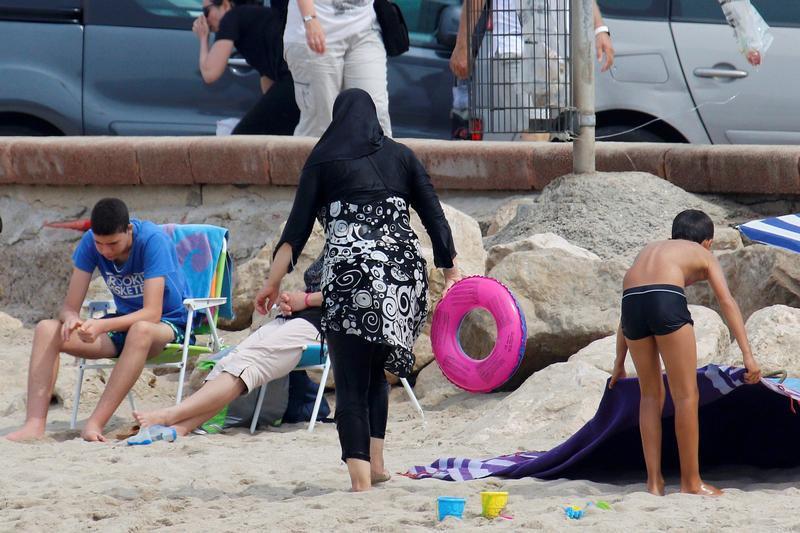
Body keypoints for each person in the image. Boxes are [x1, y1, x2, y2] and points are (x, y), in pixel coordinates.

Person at [257, 89, 461, 491]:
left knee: (350, 378)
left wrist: (272, 282)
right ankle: (378, 463)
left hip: (351, 279)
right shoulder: (401, 155)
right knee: (373, 373)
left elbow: (293, 235)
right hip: (400, 281)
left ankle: (360, 483)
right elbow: (432, 211)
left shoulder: (322, 159)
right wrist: (449, 268)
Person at [6, 198, 192, 442]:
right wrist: (72, 319)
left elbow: (152, 313)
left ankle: (94, 424)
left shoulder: (152, 241)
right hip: (122, 324)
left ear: (128, 230)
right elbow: (68, 307)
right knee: (45, 329)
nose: (105, 251)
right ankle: (34, 425)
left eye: (113, 243)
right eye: (99, 244)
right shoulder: (90, 243)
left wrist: (102, 325)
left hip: (167, 325)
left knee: (141, 329)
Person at [608, 209, 761, 496]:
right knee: (686, 394)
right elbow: (727, 302)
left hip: (631, 304)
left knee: (650, 395)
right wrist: (747, 355)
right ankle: (691, 482)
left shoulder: (649, 251)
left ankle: (654, 482)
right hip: (665, 300)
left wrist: (619, 363)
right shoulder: (701, 253)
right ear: (707, 242)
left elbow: (626, 314)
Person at [133, 255, 324, 436]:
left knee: (246, 366)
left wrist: (307, 300)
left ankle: (170, 415)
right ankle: (182, 427)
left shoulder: (351, 244)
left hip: (324, 326)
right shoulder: (335, 243)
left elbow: (350, 293)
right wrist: (292, 300)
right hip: (295, 317)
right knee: (229, 360)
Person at [282, 0, 392, 137]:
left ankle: (381, 158)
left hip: (365, 29)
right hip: (316, 29)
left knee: (375, 117)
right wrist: (310, 18)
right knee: (321, 125)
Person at [194, 0, 300, 135]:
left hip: (293, 82)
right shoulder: (255, 20)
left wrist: (203, 39)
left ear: (225, 5)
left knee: (241, 140)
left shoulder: (231, 17)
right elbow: (268, 81)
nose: (205, 19)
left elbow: (210, 74)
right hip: (300, 81)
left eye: (206, 12)